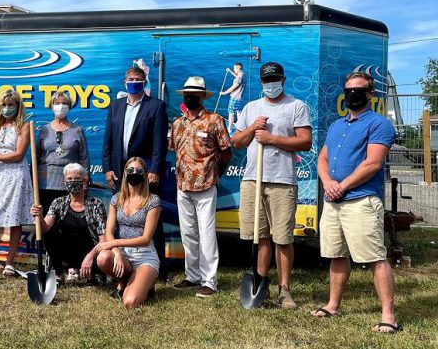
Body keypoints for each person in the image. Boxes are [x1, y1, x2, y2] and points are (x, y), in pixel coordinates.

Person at [312, 71, 400, 333]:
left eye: (358, 90)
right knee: (337, 255)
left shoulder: (380, 125)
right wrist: (328, 182)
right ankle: (333, 305)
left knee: (374, 257)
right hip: (333, 201)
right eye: (348, 90)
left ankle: (388, 315)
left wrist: (342, 186)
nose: (352, 94)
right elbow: (322, 159)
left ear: (370, 94)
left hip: (361, 201)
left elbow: (372, 163)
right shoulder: (337, 125)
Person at [231, 62, 312, 309]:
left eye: (275, 79)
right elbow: (237, 141)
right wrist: (254, 128)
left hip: (282, 181)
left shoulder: (296, 106)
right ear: (261, 83)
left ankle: (284, 290)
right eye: (267, 80)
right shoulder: (251, 108)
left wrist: (271, 138)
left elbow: (305, 142)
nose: (271, 84)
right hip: (253, 180)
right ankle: (260, 281)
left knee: (283, 238)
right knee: (259, 236)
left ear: (283, 79)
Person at [102, 65, 168, 277]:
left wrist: (155, 169)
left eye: (138, 79)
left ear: (145, 81)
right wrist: (107, 168)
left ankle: (157, 268)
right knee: (122, 216)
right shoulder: (115, 106)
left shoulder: (155, 106)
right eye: (130, 79)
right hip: (120, 172)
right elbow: (108, 140)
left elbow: (160, 142)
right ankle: (122, 263)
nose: (134, 82)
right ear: (124, 82)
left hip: (144, 171)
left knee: (150, 220)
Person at [170, 77, 232, 297]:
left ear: (202, 97)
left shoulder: (214, 120)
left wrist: (216, 173)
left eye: (194, 94)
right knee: (188, 234)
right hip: (182, 185)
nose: (190, 97)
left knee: (206, 235)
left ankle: (209, 281)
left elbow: (226, 152)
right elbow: (174, 151)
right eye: (187, 94)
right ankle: (192, 276)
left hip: (205, 186)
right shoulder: (178, 124)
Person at [0, 89, 34, 277]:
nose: (8, 108)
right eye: (4, 104)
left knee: (15, 220)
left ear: (18, 107)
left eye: (11, 105)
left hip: (16, 174)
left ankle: (9, 262)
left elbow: (18, 155)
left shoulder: (24, 127)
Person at [94, 157, 161, 309]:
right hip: (124, 255)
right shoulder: (116, 199)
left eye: (139, 170)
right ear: (124, 174)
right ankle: (124, 282)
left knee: (130, 302)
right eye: (130, 170)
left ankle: (148, 283)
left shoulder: (153, 201)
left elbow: (145, 239)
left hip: (144, 256)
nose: (134, 173)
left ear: (145, 174)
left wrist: (114, 243)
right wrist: (117, 253)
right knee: (103, 258)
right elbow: (109, 232)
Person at [30, 163, 106, 284]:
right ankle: (59, 275)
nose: (73, 181)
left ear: (84, 180)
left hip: (89, 252)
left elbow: (103, 240)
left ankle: (90, 272)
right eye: (69, 179)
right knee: (51, 232)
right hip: (66, 252)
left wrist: (90, 257)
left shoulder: (96, 204)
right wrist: (38, 216)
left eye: (76, 178)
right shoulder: (58, 202)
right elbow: (45, 229)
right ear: (64, 181)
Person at [37, 90, 90, 213]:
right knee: (47, 221)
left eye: (64, 103)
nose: (60, 106)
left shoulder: (77, 130)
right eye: (57, 103)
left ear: (69, 106)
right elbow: (36, 156)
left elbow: (84, 157)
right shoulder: (44, 130)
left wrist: (85, 180)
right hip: (45, 184)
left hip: (70, 183)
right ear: (51, 106)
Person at [220, 63, 246, 134]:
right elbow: (237, 77)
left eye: (234, 69)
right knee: (238, 111)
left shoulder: (239, 78)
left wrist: (223, 93)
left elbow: (233, 87)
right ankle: (241, 126)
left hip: (235, 98)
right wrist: (230, 71)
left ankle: (230, 128)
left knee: (231, 113)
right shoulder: (243, 75)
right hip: (240, 98)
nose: (234, 70)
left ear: (238, 68)